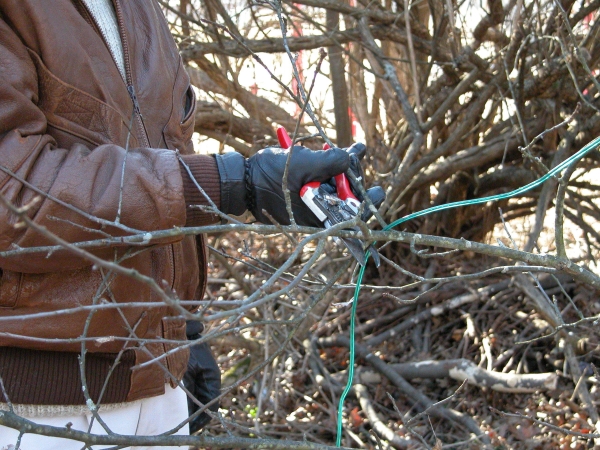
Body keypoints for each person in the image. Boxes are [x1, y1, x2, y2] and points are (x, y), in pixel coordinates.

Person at [0, 0, 382, 449]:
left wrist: (183, 329)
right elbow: (14, 196)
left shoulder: (140, 10)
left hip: (160, 387)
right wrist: (230, 183)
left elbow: (162, 163)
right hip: (36, 412)